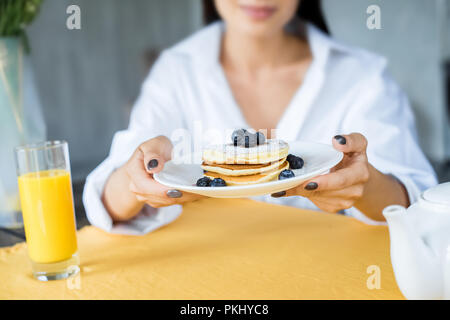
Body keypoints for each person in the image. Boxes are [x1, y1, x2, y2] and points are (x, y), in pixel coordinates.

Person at [83, 0, 437, 235]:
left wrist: (366, 185)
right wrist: (137, 178)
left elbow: (419, 207)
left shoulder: (362, 76)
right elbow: (111, 202)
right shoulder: (177, 70)